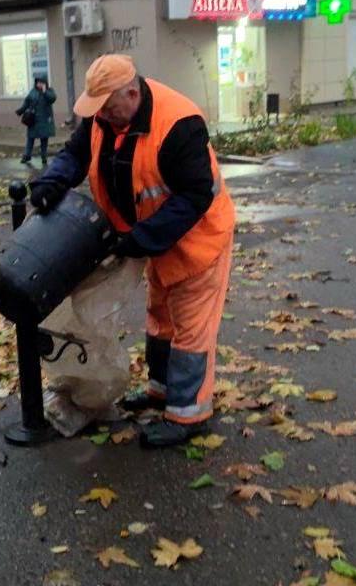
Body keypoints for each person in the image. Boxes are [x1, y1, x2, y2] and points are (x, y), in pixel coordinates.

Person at [29, 54, 235, 448]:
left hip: (198, 241)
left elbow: (196, 195)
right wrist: (52, 181)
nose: (103, 116)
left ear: (132, 92)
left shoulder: (179, 124)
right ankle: (161, 390)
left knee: (191, 331)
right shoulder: (104, 114)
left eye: (109, 107)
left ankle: (188, 416)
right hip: (154, 241)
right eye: (98, 109)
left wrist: (142, 237)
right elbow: (76, 153)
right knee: (160, 318)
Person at [15, 76, 57, 166]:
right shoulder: (33, 92)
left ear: (45, 83)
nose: (39, 84)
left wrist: (45, 91)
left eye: (41, 83)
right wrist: (20, 111)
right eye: (38, 83)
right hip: (33, 120)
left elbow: (52, 99)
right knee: (30, 138)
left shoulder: (49, 91)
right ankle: (27, 155)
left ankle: (44, 157)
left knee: (44, 140)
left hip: (45, 120)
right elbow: (27, 102)